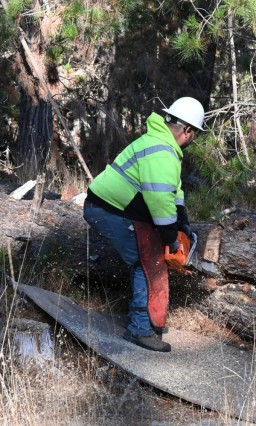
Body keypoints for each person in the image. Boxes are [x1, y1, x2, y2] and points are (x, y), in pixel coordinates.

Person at [83, 97, 204, 352]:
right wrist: (171, 238)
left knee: (150, 257)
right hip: (108, 210)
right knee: (148, 261)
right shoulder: (161, 151)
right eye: (194, 135)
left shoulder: (163, 145)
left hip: (114, 208)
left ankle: (149, 322)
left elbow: (173, 193)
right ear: (188, 130)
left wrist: (183, 225)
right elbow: (160, 201)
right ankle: (140, 329)